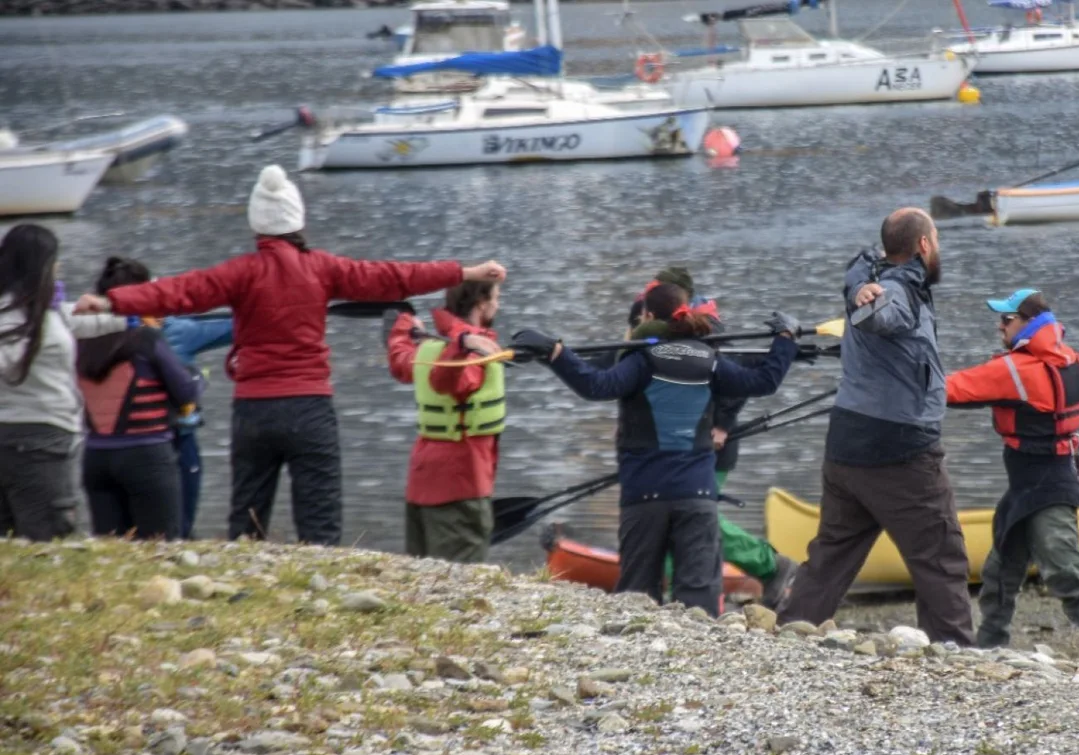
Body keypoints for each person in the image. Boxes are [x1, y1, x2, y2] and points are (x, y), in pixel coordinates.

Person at [73, 164, 507, 546]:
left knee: (247, 517)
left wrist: (112, 302)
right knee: (319, 521)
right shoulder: (323, 268)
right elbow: (395, 277)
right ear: (297, 219)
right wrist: (465, 272)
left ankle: (247, 589)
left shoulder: (240, 273)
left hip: (253, 411)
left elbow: (178, 292)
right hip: (309, 407)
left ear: (257, 225)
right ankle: (323, 588)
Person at [517, 283, 799, 616]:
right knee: (699, 600)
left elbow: (595, 385)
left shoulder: (642, 360)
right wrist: (785, 339)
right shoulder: (709, 361)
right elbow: (764, 381)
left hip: (644, 496)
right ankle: (700, 653)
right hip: (697, 495)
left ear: (647, 316)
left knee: (638, 597)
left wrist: (555, 353)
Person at [777, 207, 975, 646]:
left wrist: (856, 293)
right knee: (941, 557)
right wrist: (867, 305)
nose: (937, 246)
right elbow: (882, 316)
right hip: (901, 452)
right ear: (924, 245)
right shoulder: (896, 291)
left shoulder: (872, 274)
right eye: (936, 238)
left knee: (832, 553)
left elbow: (861, 273)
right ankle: (957, 654)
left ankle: (790, 636)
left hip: (847, 446)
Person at [945, 288, 1079, 659]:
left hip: (1048, 489)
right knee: (1000, 571)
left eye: (1007, 319)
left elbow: (948, 389)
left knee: (1065, 569)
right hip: (1025, 489)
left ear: (1030, 325)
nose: (1000, 326)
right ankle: (989, 649)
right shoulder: (1074, 364)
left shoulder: (1011, 371)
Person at [627, 267, 799, 607]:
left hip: (711, 444)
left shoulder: (705, 324)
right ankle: (683, 596)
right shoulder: (647, 317)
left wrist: (723, 423)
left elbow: (740, 374)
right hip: (666, 444)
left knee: (691, 519)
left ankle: (765, 565)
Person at [0, 224, 125, 541]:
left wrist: (131, 312)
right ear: (39, 264)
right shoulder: (21, 318)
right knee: (50, 538)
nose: (59, 267)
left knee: (11, 540)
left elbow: (78, 318)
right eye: (55, 260)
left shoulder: (37, 309)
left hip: (28, 435)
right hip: (39, 440)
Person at [77, 257, 201, 540]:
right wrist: (196, 377)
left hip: (95, 456)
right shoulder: (146, 340)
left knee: (111, 552)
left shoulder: (79, 343)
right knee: (160, 546)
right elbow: (186, 391)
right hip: (147, 455)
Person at [385, 281, 504, 562]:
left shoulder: (427, 348)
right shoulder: (472, 351)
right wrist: (463, 344)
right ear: (481, 303)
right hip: (460, 487)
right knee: (457, 588)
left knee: (422, 586)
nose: (498, 305)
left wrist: (401, 328)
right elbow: (445, 380)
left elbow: (400, 362)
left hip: (422, 484)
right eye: (496, 298)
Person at [160, 307, 235, 540]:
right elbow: (240, 326)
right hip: (174, 438)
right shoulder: (179, 330)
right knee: (180, 522)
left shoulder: (97, 333)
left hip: (117, 440)